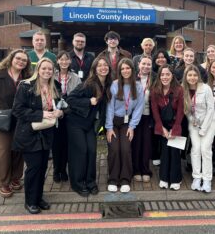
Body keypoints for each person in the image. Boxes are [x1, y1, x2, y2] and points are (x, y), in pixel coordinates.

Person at [12, 58, 64, 214]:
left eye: (50, 69)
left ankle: (38, 197)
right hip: (29, 133)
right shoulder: (26, 86)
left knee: (42, 168)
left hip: (46, 133)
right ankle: (30, 201)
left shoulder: (55, 86)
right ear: (38, 70)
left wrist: (60, 112)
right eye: (44, 69)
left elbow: (61, 105)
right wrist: (41, 114)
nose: (47, 72)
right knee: (33, 169)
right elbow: (17, 110)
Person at [0, 49, 31, 198]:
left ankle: (15, 177)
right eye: (18, 58)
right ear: (11, 59)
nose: (21, 62)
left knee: (18, 149)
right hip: (3, 117)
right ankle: (3, 182)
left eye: (24, 60)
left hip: (20, 118)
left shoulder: (27, 77)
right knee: (3, 151)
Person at [66, 57, 112, 197]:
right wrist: (88, 101)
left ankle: (90, 182)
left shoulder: (108, 85)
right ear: (94, 69)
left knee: (92, 151)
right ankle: (78, 183)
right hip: (75, 122)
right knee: (81, 151)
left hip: (90, 124)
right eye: (100, 66)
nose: (103, 67)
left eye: (105, 65)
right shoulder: (89, 83)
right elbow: (70, 99)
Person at [105, 58, 144, 193]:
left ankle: (125, 179)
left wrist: (132, 127)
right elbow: (109, 107)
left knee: (126, 148)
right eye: (122, 69)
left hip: (128, 123)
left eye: (128, 68)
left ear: (132, 70)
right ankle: (113, 179)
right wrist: (109, 128)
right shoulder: (115, 85)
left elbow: (139, 108)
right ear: (119, 71)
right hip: (114, 122)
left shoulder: (138, 87)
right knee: (114, 148)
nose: (125, 71)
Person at [183, 65, 215, 193]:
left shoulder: (206, 88)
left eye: (194, 75)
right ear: (186, 77)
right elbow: (187, 110)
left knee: (205, 149)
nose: (192, 78)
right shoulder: (184, 90)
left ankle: (207, 180)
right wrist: (193, 121)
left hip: (209, 123)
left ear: (198, 76)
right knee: (196, 149)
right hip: (194, 124)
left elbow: (210, 109)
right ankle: (196, 177)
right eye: (190, 75)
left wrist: (204, 128)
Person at [151, 64, 184, 190]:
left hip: (176, 124)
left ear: (172, 76)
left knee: (175, 151)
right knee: (165, 151)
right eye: (162, 74)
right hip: (163, 126)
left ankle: (176, 178)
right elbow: (155, 112)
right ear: (159, 76)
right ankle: (164, 177)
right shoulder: (155, 91)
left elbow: (181, 111)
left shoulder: (179, 90)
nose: (165, 77)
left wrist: (174, 129)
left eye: (167, 74)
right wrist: (161, 128)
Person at [52, 51, 81, 183]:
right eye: (61, 59)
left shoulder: (75, 77)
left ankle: (64, 170)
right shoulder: (52, 75)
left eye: (66, 59)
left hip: (69, 113)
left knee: (66, 144)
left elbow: (78, 95)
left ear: (70, 61)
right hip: (54, 113)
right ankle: (56, 170)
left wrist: (68, 108)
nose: (64, 62)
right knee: (56, 144)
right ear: (57, 61)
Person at [132, 55, 155, 183]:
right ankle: (136, 170)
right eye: (144, 64)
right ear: (138, 64)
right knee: (136, 143)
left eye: (148, 64)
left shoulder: (155, 79)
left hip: (148, 116)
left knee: (146, 144)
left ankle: (145, 170)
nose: (146, 66)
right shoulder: (132, 78)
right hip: (134, 116)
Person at [151, 49, 171, 165]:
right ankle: (155, 155)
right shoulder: (151, 72)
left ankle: (165, 155)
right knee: (155, 132)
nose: (160, 59)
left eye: (163, 57)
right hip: (154, 106)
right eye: (158, 57)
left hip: (167, 107)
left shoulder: (171, 71)